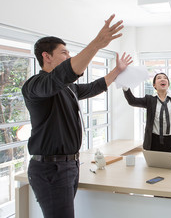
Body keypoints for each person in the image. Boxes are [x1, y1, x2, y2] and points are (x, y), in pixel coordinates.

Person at [22, 14, 133, 218]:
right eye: (64, 53)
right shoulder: (35, 85)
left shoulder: (68, 88)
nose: (68, 57)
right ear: (46, 56)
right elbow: (65, 73)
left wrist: (117, 70)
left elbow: (93, 87)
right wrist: (97, 44)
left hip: (69, 165)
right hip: (50, 169)